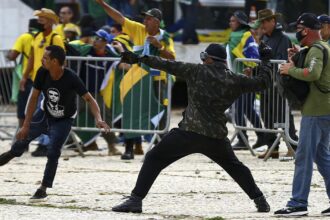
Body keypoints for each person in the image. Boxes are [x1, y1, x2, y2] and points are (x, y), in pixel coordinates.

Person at [110, 42, 273, 213]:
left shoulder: (196, 71)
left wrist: (140, 58)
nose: (202, 61)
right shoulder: (235, 79)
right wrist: (265, 60)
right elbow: (263, 83)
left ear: (208, 59)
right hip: (215, 137)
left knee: (153, 158)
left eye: (204, 57)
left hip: (189, 133)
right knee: (236, 168)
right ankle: (260, 200)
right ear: (224, 62)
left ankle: (136, 200)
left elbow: (166, 64)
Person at [0, 45, 110, 201]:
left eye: (45, 58)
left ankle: (43, 188)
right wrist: (25, 125)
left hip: (64, 120)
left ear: (55, 61)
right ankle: (10, 155)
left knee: (53, 152)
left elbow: (89, 99)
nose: (41, 60)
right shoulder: (42, 72)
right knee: (18, 146)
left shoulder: (71, 77)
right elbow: (33, 98)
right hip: (44, 114)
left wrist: (99, 119)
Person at [95, 0, 176, 160]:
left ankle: (159, 148)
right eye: (144, 18)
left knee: (160, 112)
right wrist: (103, 4)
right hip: (136, 79)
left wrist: (159, 47)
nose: (144, 21)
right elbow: (119, 18)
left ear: (157, 22)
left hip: (157, 79)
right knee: (131, 111)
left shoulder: (165, 37)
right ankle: (129, 148)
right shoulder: (138, 30)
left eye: (148, 19)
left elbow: (172, 59)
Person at [274, 13, 330, 217]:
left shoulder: (316, 49)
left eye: (298, 28)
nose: (296, 32)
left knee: (304, 156)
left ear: (306, 30)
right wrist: (298, 57)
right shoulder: (324, 47)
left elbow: (313, 74)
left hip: (316, 111)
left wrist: (291, 70)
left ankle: (298, 203)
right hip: (324, 109)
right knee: (321, 156)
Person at [20, 8, 65, 157]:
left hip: (51, 80)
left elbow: (62, 60)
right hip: (37, 79)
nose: (39, 20)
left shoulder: (56, 38)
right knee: (37, 112)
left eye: (42, 18)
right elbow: (32, 58)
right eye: (38, 18)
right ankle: (43, 142)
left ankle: (45, 144)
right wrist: (25, 76)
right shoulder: (37, 36)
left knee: (46, 112)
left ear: (51, 21)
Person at [256, 9, 298, 159]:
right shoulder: (265, 39)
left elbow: (281, 60)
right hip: (266, 84)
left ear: (273, 21)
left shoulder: (283, 39)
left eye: (265, 21)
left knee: (284, 115)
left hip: (278, 84)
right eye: (261, 22)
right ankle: (272, 147)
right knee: (266, 115)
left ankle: (293, 146)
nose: (263, 25)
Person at [227, 11, 264, 150]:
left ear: (240, 23)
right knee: (246, 109)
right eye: (230, 20)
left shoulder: (245, 35)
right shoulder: (237, 36)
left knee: (239, 109)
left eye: (233, 21)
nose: (230, 23)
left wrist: (251, 70)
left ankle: (244, 139)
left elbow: (254, 57)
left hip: (246, 80)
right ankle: (261, 136)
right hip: (238, 80)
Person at [6, 19, 39, 129]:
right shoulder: (43, 37)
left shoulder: (24, 37)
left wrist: (8, 55)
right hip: (43, 77)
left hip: (28, 78)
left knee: (23, 109)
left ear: (29, 26)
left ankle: (23, 139)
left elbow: (13, 56)